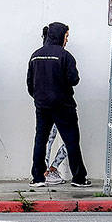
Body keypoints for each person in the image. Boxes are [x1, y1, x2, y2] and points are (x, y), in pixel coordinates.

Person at [27, 22, 90, 188]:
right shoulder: (65, 56)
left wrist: (39, 97)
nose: (67, 40)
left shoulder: (35, 55)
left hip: (42, 106)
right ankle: (79, 178)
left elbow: (30, 84)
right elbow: (74, 79)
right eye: (66, 36)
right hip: (63, 105)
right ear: (60, 35)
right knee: (71, 140)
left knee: (40, 139)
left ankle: (38, 177)